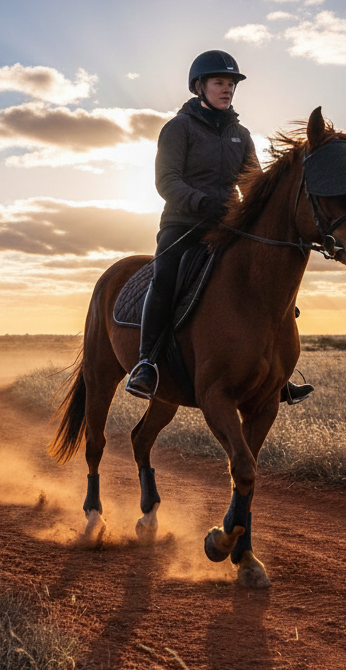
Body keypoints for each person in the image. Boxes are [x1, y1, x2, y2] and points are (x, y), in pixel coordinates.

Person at [125, 50, 313, 406]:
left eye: (230, 84)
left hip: (228, 225)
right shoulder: (178, 128)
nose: (227, 89)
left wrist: (255, 212)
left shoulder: (241, 134)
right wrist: (201, 203)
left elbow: (253, 183)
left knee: (267, 279)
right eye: (219, 83)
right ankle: (147, 363)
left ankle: (276, 375)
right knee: (164, 279)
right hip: (183, 223)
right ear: (199, 87)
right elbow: (167, 180)